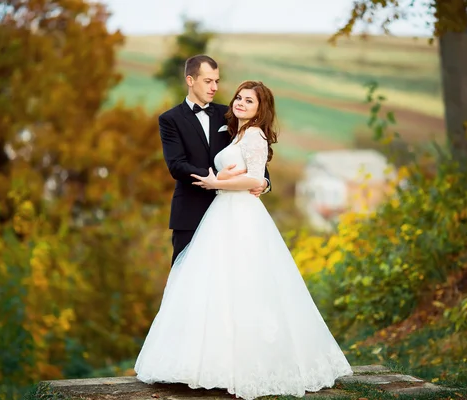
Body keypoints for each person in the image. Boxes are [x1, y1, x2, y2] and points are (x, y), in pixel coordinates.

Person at [135, 80, 353, 399]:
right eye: (238, 97)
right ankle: (211, 365)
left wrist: (216, 183)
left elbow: (256, 176)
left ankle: (246, 368)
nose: (239, 103)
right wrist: (222, 179)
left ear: (259, 109)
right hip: (223, 212)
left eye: (248, 101)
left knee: (244, 284)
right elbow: (239, 174)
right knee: (216, 285)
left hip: (241, 214)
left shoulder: (254, 135)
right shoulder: (236, 131)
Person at [157, 55, 271, 265]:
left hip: (231, 214)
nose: (214, 87)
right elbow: (176, 165)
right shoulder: (169, 120)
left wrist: (264, 181)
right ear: (190, 80)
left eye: (216, 81)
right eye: (208, 81)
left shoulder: (229, 113)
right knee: (186, 279)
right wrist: (216, 178)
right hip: (190, 213)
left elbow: (251, 151)